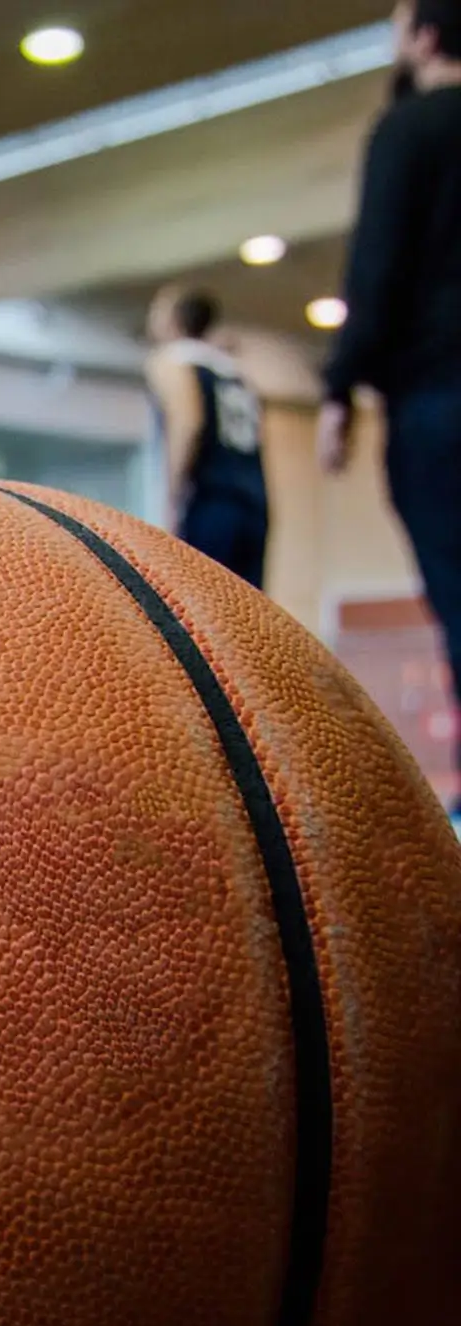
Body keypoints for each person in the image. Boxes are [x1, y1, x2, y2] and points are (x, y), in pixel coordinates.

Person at [319, 0, 461, 826]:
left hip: (441, 397)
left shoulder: (411, 129)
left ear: (427, 36)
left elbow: (377, 264)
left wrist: (339, 386)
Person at [144, 286, 270, 589]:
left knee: (196, 602)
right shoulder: (234, 370)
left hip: (209, 501)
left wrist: (172, 497)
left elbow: (189, 422)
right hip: (254, 501)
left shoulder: (173, 360)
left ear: (172, 319)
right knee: (244, 606)